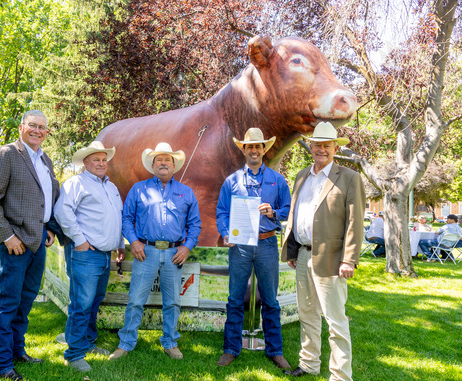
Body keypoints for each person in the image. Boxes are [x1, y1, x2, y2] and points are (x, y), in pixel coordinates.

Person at [281, 122, 366, 380]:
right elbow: (297, 215)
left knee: (335, 320)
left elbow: (355, 221)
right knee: (306, 313)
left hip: (332, 259)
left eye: (327, 145)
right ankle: (308, 363)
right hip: (304, 255)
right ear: (311, 147)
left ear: (334, 148)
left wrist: (349, 260)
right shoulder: (301, 176)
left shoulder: (349, 178)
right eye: (318, 144)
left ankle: (340, 375)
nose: (322, 149)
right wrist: (293, 251)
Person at [0, 110, 60, 380]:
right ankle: (1, 363)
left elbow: (45, 198)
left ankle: (16, 351)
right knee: (7, 302)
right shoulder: (5, 154)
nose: (38, 131)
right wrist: (7, 236)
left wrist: (48, 228)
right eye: (33, 125)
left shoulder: (45, 159)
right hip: (15, 242)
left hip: (37, 241)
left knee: (25, 302)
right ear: (21, 127)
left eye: (43, 127)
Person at [109, 142, 201, 361]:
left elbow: (195, 224)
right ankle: (126, 342)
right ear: (152, 165)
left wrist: (187, 246)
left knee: (172, 302)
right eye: (158, 159)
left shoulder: (185, 193)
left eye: (167, 159)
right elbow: (127, 219)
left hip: (173, 254)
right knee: (135, 300)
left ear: (174, 165)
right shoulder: (139, 189)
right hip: (145, 251)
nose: (163, 163)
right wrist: (134, 242)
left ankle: (170, 342)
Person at [214, 128, 291, 369]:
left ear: (264, 150)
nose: (254, 150)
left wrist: (274, 213)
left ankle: (275, 350)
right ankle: (231, 348)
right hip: (240, 245)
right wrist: (226, 233)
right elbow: (222, 212)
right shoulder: (232, 181)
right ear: (244, 150)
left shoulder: (277, 180)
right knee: (235, 298)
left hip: (267, 243)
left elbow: (287, 210)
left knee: (270, 300)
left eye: (258, 146)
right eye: (250, 147)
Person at [54, 141, 126, 373]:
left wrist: (118, 244)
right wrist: (80, 240)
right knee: (81, 304)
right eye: (96, 160)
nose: (101, 164)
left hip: (104, 254)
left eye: (104, 160)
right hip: (86, 253)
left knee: (94, 302)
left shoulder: (111, 187)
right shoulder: (76, 183)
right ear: (85, 162)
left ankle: (87, 343)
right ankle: (74, 354)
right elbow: (62, 212)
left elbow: (115, 217)